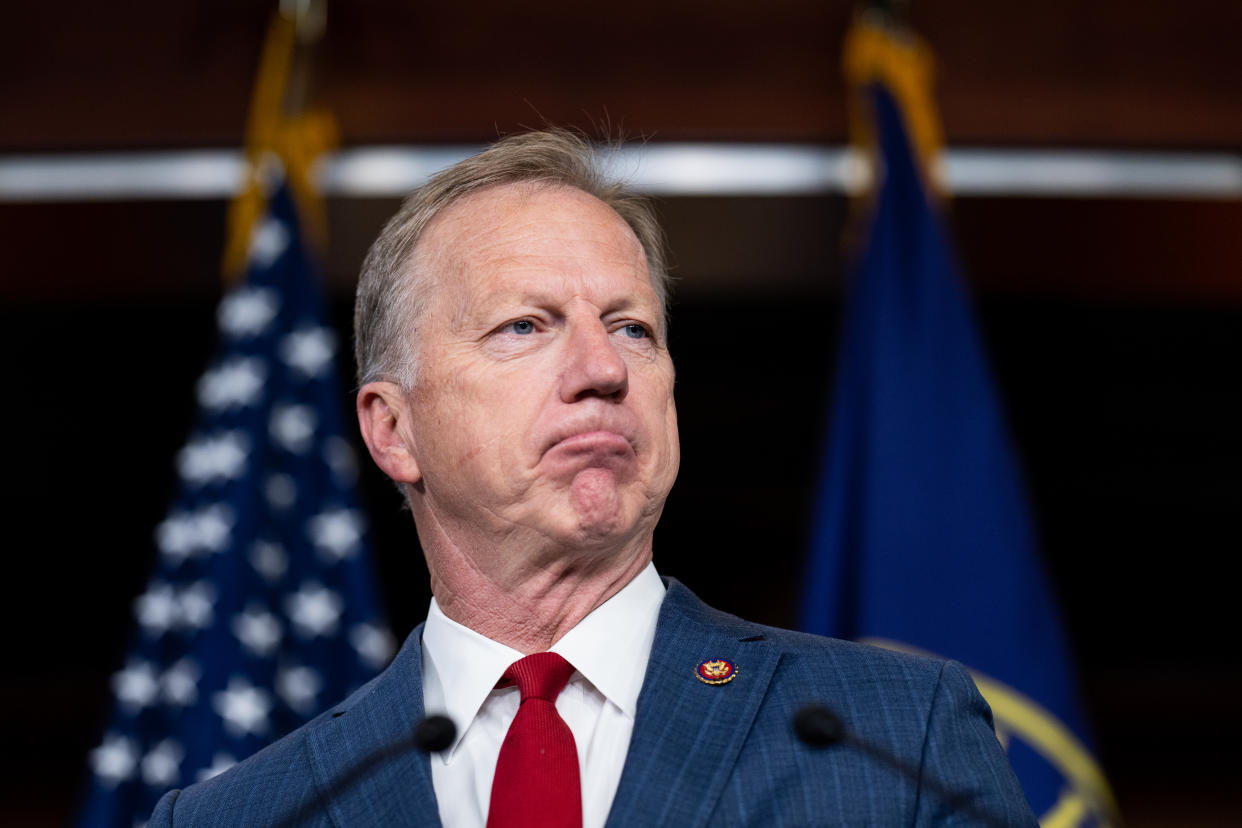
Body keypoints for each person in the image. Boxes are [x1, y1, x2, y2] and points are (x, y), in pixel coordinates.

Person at [150, 130, 1036, 826]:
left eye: (632, 329)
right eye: (525, 327)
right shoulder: (245, 814)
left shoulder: (891, 735)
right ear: (392, 428)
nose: (601, 369)